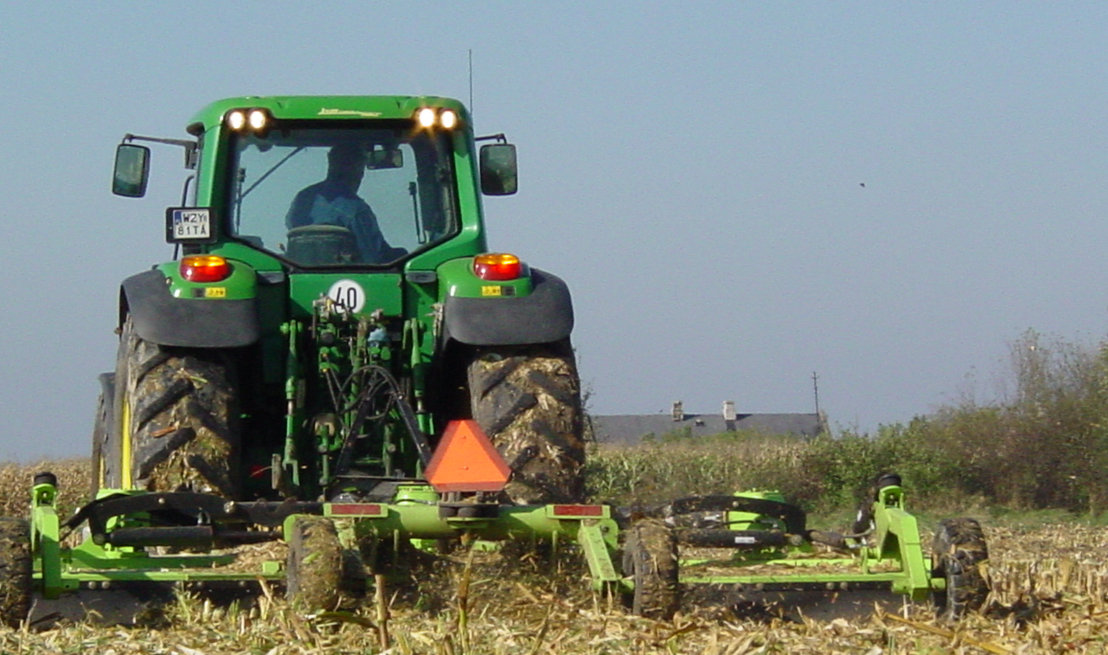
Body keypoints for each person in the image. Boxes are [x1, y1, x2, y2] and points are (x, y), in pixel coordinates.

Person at [285, 143, 404, 263]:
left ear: (330, 164)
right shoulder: (356, 210)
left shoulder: (303, 199)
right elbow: (372, 261)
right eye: (361, 171)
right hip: (349, 278)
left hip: (299, 273)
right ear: (357, 170)